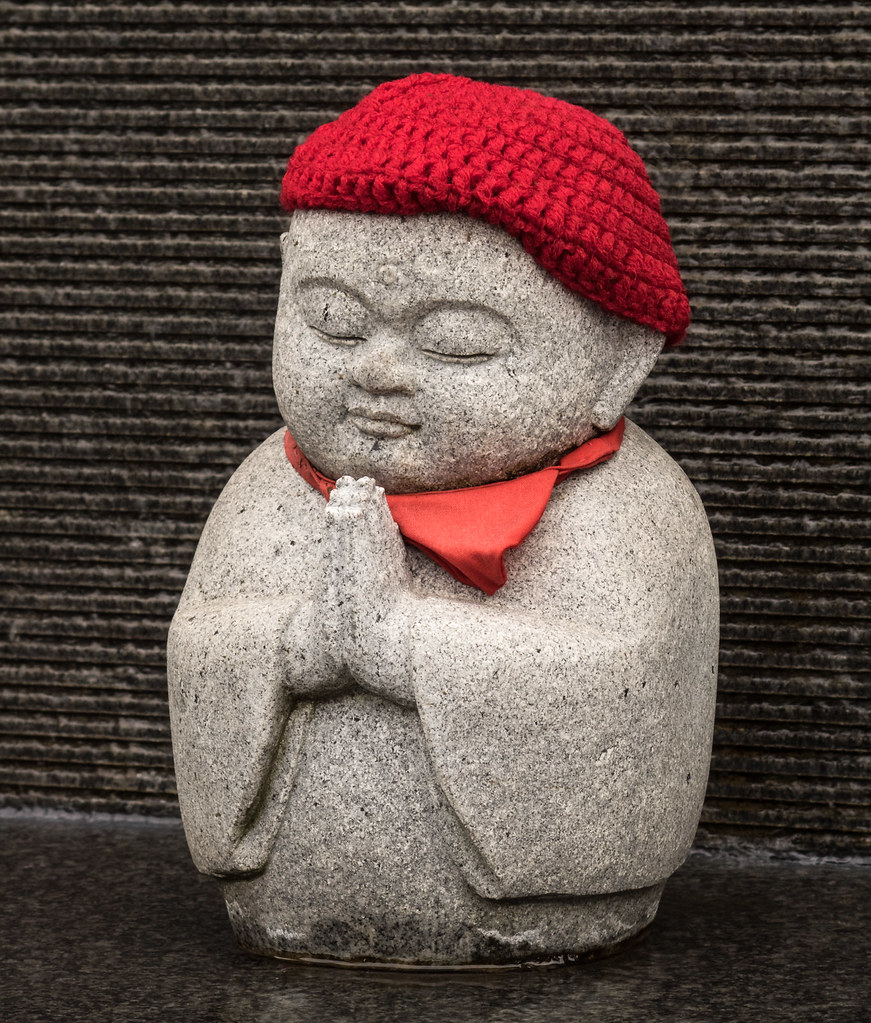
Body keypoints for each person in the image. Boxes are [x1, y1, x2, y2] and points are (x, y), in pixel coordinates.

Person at [168, 74, 718, 966]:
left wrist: (403, 644)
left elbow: (632, 679)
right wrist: (299, 645)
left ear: (618, 363)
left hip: (539, 902)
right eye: (333, 321)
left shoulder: (622, 507)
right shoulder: (272, 483)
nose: (377, 371)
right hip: (285, 892)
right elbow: (201, 642)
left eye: (456, 340)